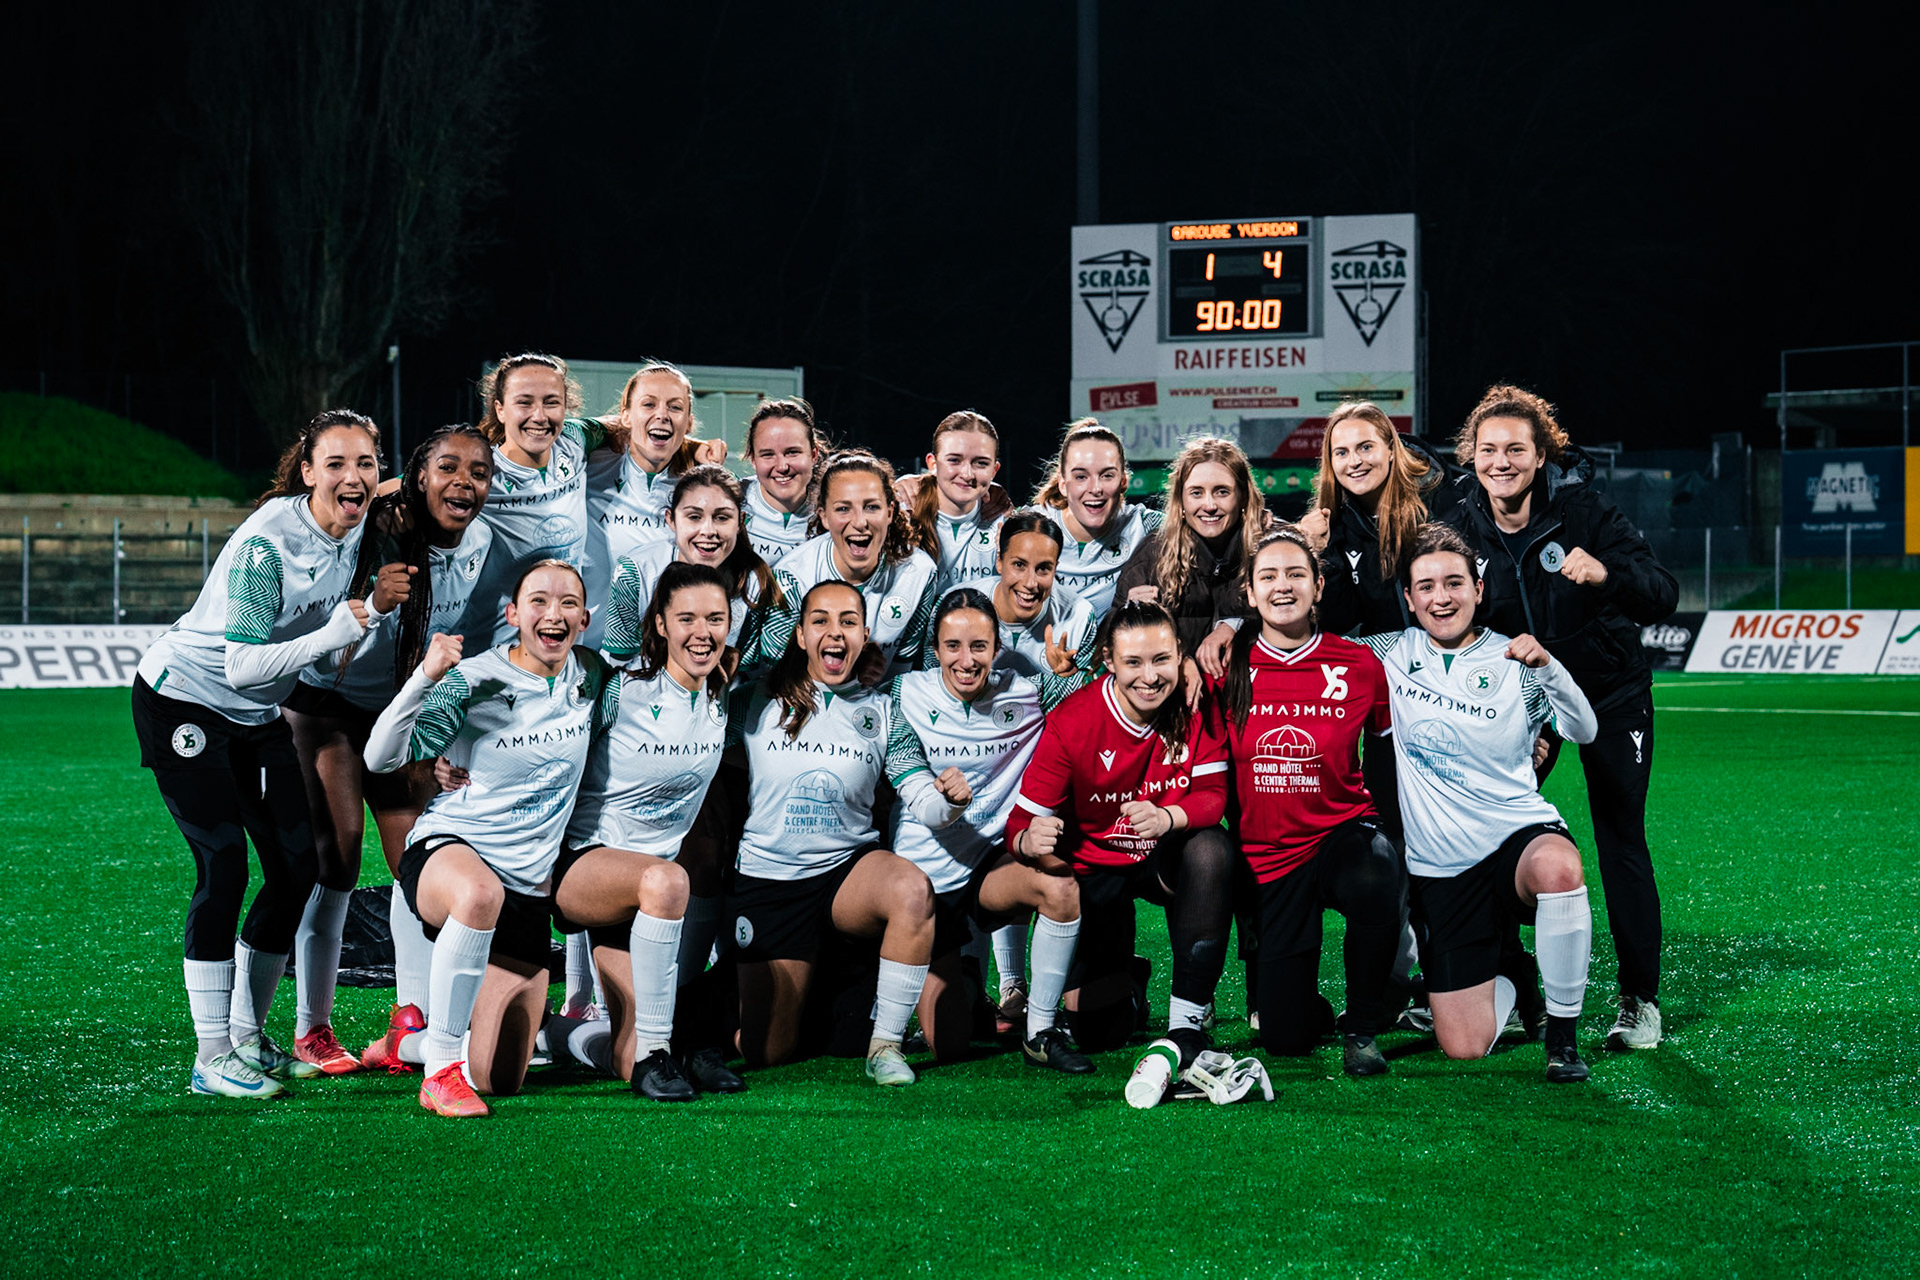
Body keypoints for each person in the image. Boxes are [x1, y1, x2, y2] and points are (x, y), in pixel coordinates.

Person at [132, 409, 392, 1098]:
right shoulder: (266, 547)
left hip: (252, 717)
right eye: (334, 464)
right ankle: (210, 1055)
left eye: (364, 464)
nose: (353, 477)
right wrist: (337, 628)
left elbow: (406, 487)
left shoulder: (361, 512)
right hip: (185, 699)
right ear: (305, 471)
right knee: (223, 865)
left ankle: (248, 1035)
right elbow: (244, 667)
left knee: (297, 866)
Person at [1441, 385, 1678, 1051]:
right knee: (1485, 836)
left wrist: (1606, 574)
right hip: (1525, 704)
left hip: (1608, 695)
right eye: (1489, 450)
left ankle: (1639, 1002)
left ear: (1542, 454)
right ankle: (1514, 981)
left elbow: (1662, 592)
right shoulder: (1458, 525)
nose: (1502, 461)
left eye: (1517, 449)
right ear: (1473, 458)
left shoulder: (1585, 512)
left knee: (1620, 837)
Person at [279, 423, 497, 1075]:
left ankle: (412, 1015)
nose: (462, 488)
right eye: (446, 475)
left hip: (402, 706)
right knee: (339, 859)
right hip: (327, 706)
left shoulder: (482, 538)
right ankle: (312, 1028)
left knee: (418, 859)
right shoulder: (377, 518)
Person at [362, 560, 615, 1116]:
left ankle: (404, 1044)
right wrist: (426, 677)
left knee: (500, 1076)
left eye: (569, 603)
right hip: (449, 853)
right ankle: (441, 1074)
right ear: (513, 615)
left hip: (526, 890)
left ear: (585, 617)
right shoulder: (475, 679)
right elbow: (379, 758)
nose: (554, 613)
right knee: (480, 895)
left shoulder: (594, 676)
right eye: (539, 602)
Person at [1357, 524, 1598, 1083]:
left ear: (1478, 589)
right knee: (1464, 1046)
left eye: (1454, 583)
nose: (1442, 597)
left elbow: (1584, 730)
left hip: (1516, 836)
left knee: (1560, 868)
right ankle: (1515, 978)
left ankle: (1562, 1041)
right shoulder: (1386, 654)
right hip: (1442, 867)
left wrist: (1549, 668)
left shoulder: (1516, 658)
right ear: (1410, 599)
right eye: (1426, 587)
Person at [724, 580, 950, 1086]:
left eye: (848, 621)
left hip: (847, 877)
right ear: (801, 635)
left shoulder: (883, 709)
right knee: (768, 1051)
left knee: (912, 891)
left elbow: (924, 800)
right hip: (772, 882)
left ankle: (886, 1045)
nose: (835, 632)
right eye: (821, 620)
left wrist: (950, 802)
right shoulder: (754, 701)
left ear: (865, 635)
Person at [1003, 601, 1235, 1061]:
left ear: (1179, 656)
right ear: (1108, 661)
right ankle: (1130, 977)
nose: (1149, 677)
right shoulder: (1074, 722)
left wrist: (1167, 818)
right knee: (1098, 1030)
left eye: (1161, 660)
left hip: (1161, 857)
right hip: (1094, 870)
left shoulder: (1194, 704)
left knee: (1212, 851)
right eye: (1133, 662)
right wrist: (1029, 840)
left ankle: (1187, 1023)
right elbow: (1021, 822)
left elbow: (1213, 795)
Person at [1211, 528, 1404, 1077]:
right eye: (1267, 577)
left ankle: (1363, 1030)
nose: (1282, 587)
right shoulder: (1226, 668)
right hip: (1269, 859)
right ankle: (1299, 1003)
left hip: (1340, 836)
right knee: (1284, 1038)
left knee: (1375, 873)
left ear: (1319, 586)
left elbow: (1387, 758)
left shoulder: (1359, 664)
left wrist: (1392, 835)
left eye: (1296, 574)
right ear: (1248, 594)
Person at [552, 563, 740, 1099]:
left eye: (715, 619)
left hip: (645, 898)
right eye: (686, 619)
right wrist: (456, 760)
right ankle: (662, 1054)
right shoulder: (620, 687)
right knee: (669, 879)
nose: (701, 632)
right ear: (659, 624)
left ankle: (556, 1032)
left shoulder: (723, 695)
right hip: (586, 865)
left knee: (621, 1053)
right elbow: (540, 724)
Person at [888, 589, 1091, 1072]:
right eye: (952, 646)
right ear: (934, 649)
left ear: (997, 647)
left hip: (989, 871)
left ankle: (1040, 1029)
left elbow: (1108, 689)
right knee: (953, 1044)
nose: (965, 659)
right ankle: (962, 974)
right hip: (924, 887)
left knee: (1060, 886)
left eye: (978, 646)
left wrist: (1072, 670)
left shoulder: (1027, 690)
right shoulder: (903, 693)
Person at [582, 360, 727, 643]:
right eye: (648, 405)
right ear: (625, 415)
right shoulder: (587, 465)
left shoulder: (701, 494)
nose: (662, 415)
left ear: (689, 422)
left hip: (658, 663)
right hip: (580, 653)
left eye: (675, 407)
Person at [769, 450, 941, 682]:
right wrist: (846, 671)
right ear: (824, 516)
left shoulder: (920, 572)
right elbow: (774, 675)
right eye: (843, 508)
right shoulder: (791, 576)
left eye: (871, 507)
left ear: (890, 512)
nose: (860, 522)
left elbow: (904, 670)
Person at [601, 464, 782, 676]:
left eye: (722, 518)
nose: (708, 531)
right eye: (694, 517)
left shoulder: (754, 583)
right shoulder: (634, 572)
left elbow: (742, 678)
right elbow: (616, 667)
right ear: (671, 520)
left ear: (740, 522)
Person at [1114, 437, 1270, 656]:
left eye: (1222, 492)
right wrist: (1130, 616)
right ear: (1181, 500)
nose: (1209, 506)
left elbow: (1301, 618)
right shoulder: (1153, 554)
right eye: (1196, 493)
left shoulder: (1272, 546)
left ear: (1242, 496)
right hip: (1177, 686)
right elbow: (1111, 645)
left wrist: (1236, 625)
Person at [930, 511, 1097, 682]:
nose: (1031, 583)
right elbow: (932, 683)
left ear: (1055, 568)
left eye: (1043, 568)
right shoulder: (952, 606)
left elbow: (1087, 696)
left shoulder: (1080, 616)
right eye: (1019, 565)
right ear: (999, 562)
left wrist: (1066, 677)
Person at [1028, 418, 1164, 621]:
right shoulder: (1031, 525)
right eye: (1081, 477)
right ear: (1063, 484)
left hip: (1108, 649)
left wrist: (1228, 621)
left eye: (1107, 475)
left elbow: (1193, 522)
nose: (1095, 488)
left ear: (1124, 481)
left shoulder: (1143, 524)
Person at [900, 409, 1011, 595]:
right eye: (954, 460)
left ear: (994, 470)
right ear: (932, 464)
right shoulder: (903, 515)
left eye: (981, 463)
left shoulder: (1004, 521)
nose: (967, 474)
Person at [741, 397, 829, 564]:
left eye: (792, 452)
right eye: (768, 455)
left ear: (813, 455)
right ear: (753, 459)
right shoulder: (731, 499)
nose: (782, 466)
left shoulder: (834, 509)